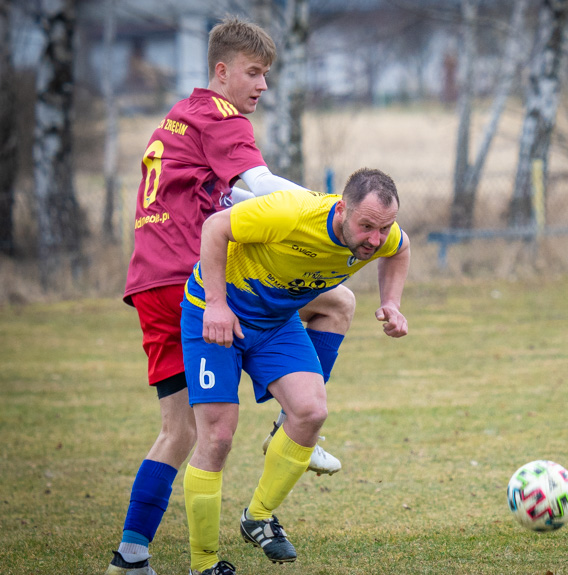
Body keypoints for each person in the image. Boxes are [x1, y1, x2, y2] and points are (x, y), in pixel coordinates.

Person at [107, 16, 348, 575]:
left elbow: (234, 189)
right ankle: (291, 432)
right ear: (222, 71)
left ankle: (131, 554)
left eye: (267, 75)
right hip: (195, 279)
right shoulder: (223, 115)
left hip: (148, 283)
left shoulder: (180, 116)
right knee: (338, 304)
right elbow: (260, 186)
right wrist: (325, 207)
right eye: (254, 73)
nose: (262, 86)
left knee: (178, 429)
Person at [179, 168, 410, 575]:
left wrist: (391, 302)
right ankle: (204, 564)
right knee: (217, 436)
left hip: (274, 323)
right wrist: (215, 303)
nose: (375, 239)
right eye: (366, 226)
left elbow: (400, 248)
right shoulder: (290, 213)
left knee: (310, 412)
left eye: (383, 228)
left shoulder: (383, 236)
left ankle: (258, 516)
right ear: (342, 210)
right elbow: (216, 227)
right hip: (215, 314)